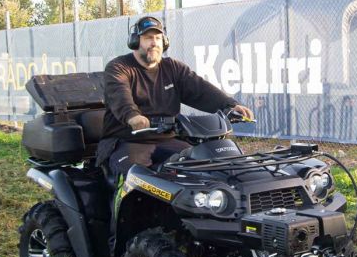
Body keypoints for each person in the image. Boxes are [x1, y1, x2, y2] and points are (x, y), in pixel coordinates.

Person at [96, 15, 253, 183]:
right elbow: (119, 95)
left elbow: (201, 89)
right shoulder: (119, 68)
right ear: (135, 41)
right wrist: (133, 116)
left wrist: (230, 105)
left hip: (168, 140)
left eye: (158, 38)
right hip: (127, 142)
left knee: (204, 167)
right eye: (148, 38)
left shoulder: (173, 68)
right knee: (136, 178)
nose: (154, 43)